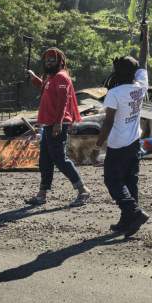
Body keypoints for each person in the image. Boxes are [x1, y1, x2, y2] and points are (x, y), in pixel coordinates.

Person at [95, 22, 150, 237]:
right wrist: (146, 37)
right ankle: (129, 222)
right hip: (134, 143)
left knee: (112, 180)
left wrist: (98, 145)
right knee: (130, 181)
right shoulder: (140, 86)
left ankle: (134, 212)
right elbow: (144, 61)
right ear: (134, 73)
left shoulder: (115, 94)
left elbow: (107, 123)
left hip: (117, 145)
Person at [25, 48, 91, 206]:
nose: (48, 63)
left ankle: (83, 191)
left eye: (52, 60)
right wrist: (34, 78)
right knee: (45, 160)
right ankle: (42, 194)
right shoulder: (51, 78)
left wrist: (58, 123)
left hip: (56, 124)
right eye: (47, 60)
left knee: (60, 159)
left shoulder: (61, 77)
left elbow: (63, 102)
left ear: (60, 62)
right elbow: (46, 90)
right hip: (49, 124)